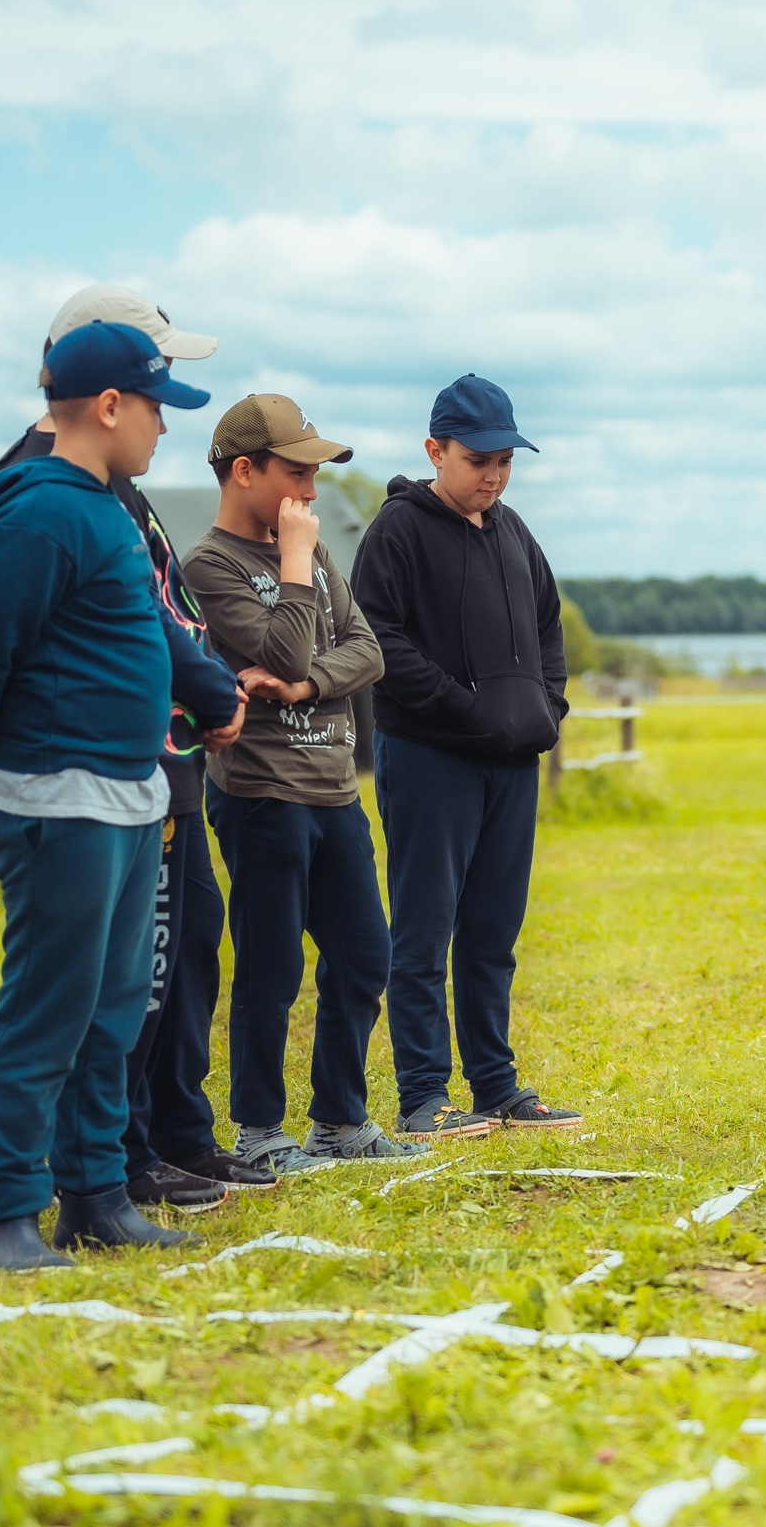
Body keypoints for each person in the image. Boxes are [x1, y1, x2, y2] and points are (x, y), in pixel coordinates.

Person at [0, 285, 266, 1212]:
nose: (167, 429)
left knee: (117, 1003)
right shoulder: (41, 514)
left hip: (133, 789)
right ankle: (9, 1207)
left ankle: (98, 1197)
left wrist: (204, 702)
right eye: (158, 407)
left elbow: (148, 633)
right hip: (60, 794)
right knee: (49, 1010)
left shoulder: (109, 509)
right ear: (112, 406)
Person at [184, 394, 417, 1174]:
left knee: (363, 956)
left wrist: (308, 687)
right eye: (297, 472)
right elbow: (282, 650)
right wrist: (292, 567)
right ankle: (259, 1132)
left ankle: (341, 1123)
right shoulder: (208, 569)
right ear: (244, 470)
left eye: (316, 474)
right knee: (271, 966)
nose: (311, 492)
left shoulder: (313, 555)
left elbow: (368, 652)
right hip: (261, 795)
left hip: (335, 793)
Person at [353, 375, 583, 1139]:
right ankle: (423, 1097)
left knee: (493, 932)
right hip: (430, 758)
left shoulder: (513, 531)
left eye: (505, 461)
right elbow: (380, 641)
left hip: (512, 763)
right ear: (435, 450)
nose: (492, 474)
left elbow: (548, 624)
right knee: (423, 930)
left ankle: (496, 1087)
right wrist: (467, 709)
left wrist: (547, 707)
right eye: (479, 459)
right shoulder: (397, 531)